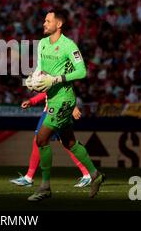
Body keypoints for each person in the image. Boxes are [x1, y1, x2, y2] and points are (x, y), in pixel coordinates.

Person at [26, 10, 105, 202]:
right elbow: (39, 68)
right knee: (69, 142)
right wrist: (32, 79)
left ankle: (45, 187)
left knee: (42, 139)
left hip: (64, 99)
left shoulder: (69, 46)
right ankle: (96, 175)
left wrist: (57, 79)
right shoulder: (43, 44)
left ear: (58, 24)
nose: (44, 23)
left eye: (48, 21)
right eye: (44, 20)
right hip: (51, 98)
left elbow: (82, 72)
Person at [9, 92, 91, 188]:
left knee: (49, 141)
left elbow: (66, 89)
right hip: (51, 110)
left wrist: (73, 107)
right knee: (64, 142)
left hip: (57, 110)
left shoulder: (59, 77)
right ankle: (87, 174)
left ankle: (28, 178)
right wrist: (31, 101)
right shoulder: (50, 78)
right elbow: (47, 91)